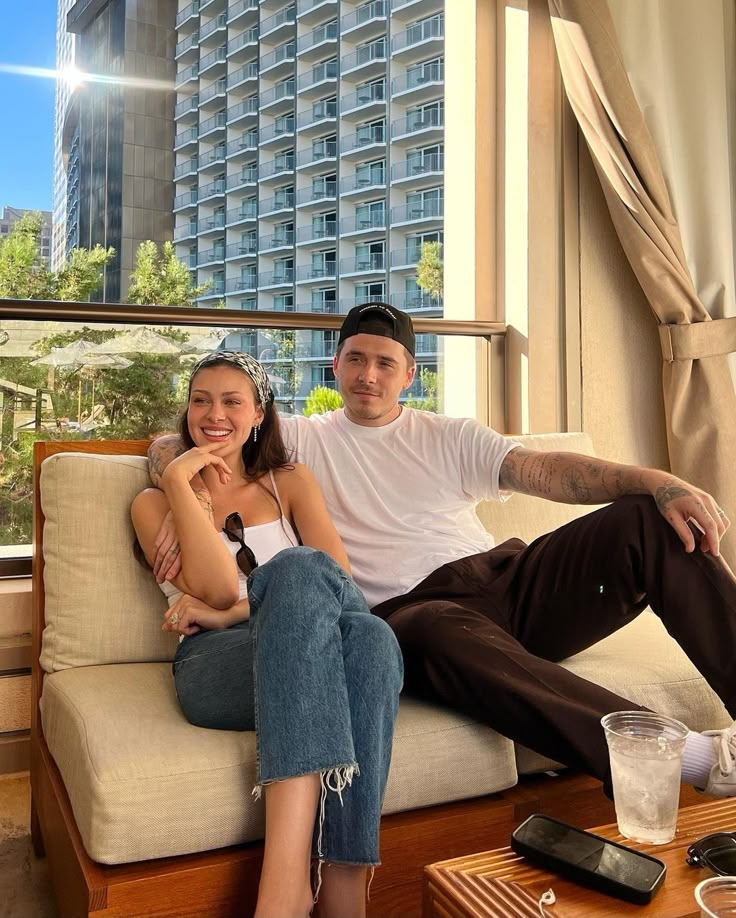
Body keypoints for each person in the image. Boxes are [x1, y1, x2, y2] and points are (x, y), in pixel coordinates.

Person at [149, 304, 736, 803]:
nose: (367, 375)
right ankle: (689, 758)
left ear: (409, 374)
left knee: (646, 519)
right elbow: (181, 437)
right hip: (414, 617)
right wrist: (183, 497)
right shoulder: (304, 439)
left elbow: (545, 471)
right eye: (355, 359)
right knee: (428, 626)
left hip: (508, 582)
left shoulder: (451, 435)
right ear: (336, 365)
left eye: (385, 363)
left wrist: (655, 480)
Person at [132, 350, 403, 918]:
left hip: (301, 654)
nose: (215, 414)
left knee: (371, 640)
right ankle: (289, 884)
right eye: (200, 400)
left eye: (233, 401)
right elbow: (209, 586)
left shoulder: (291, 482)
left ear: (259, 414)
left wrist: (237, 610)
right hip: (214, 668)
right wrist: (183, 483)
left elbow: (340, 588)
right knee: (305, 578)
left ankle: (340, 888)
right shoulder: (155, 501)